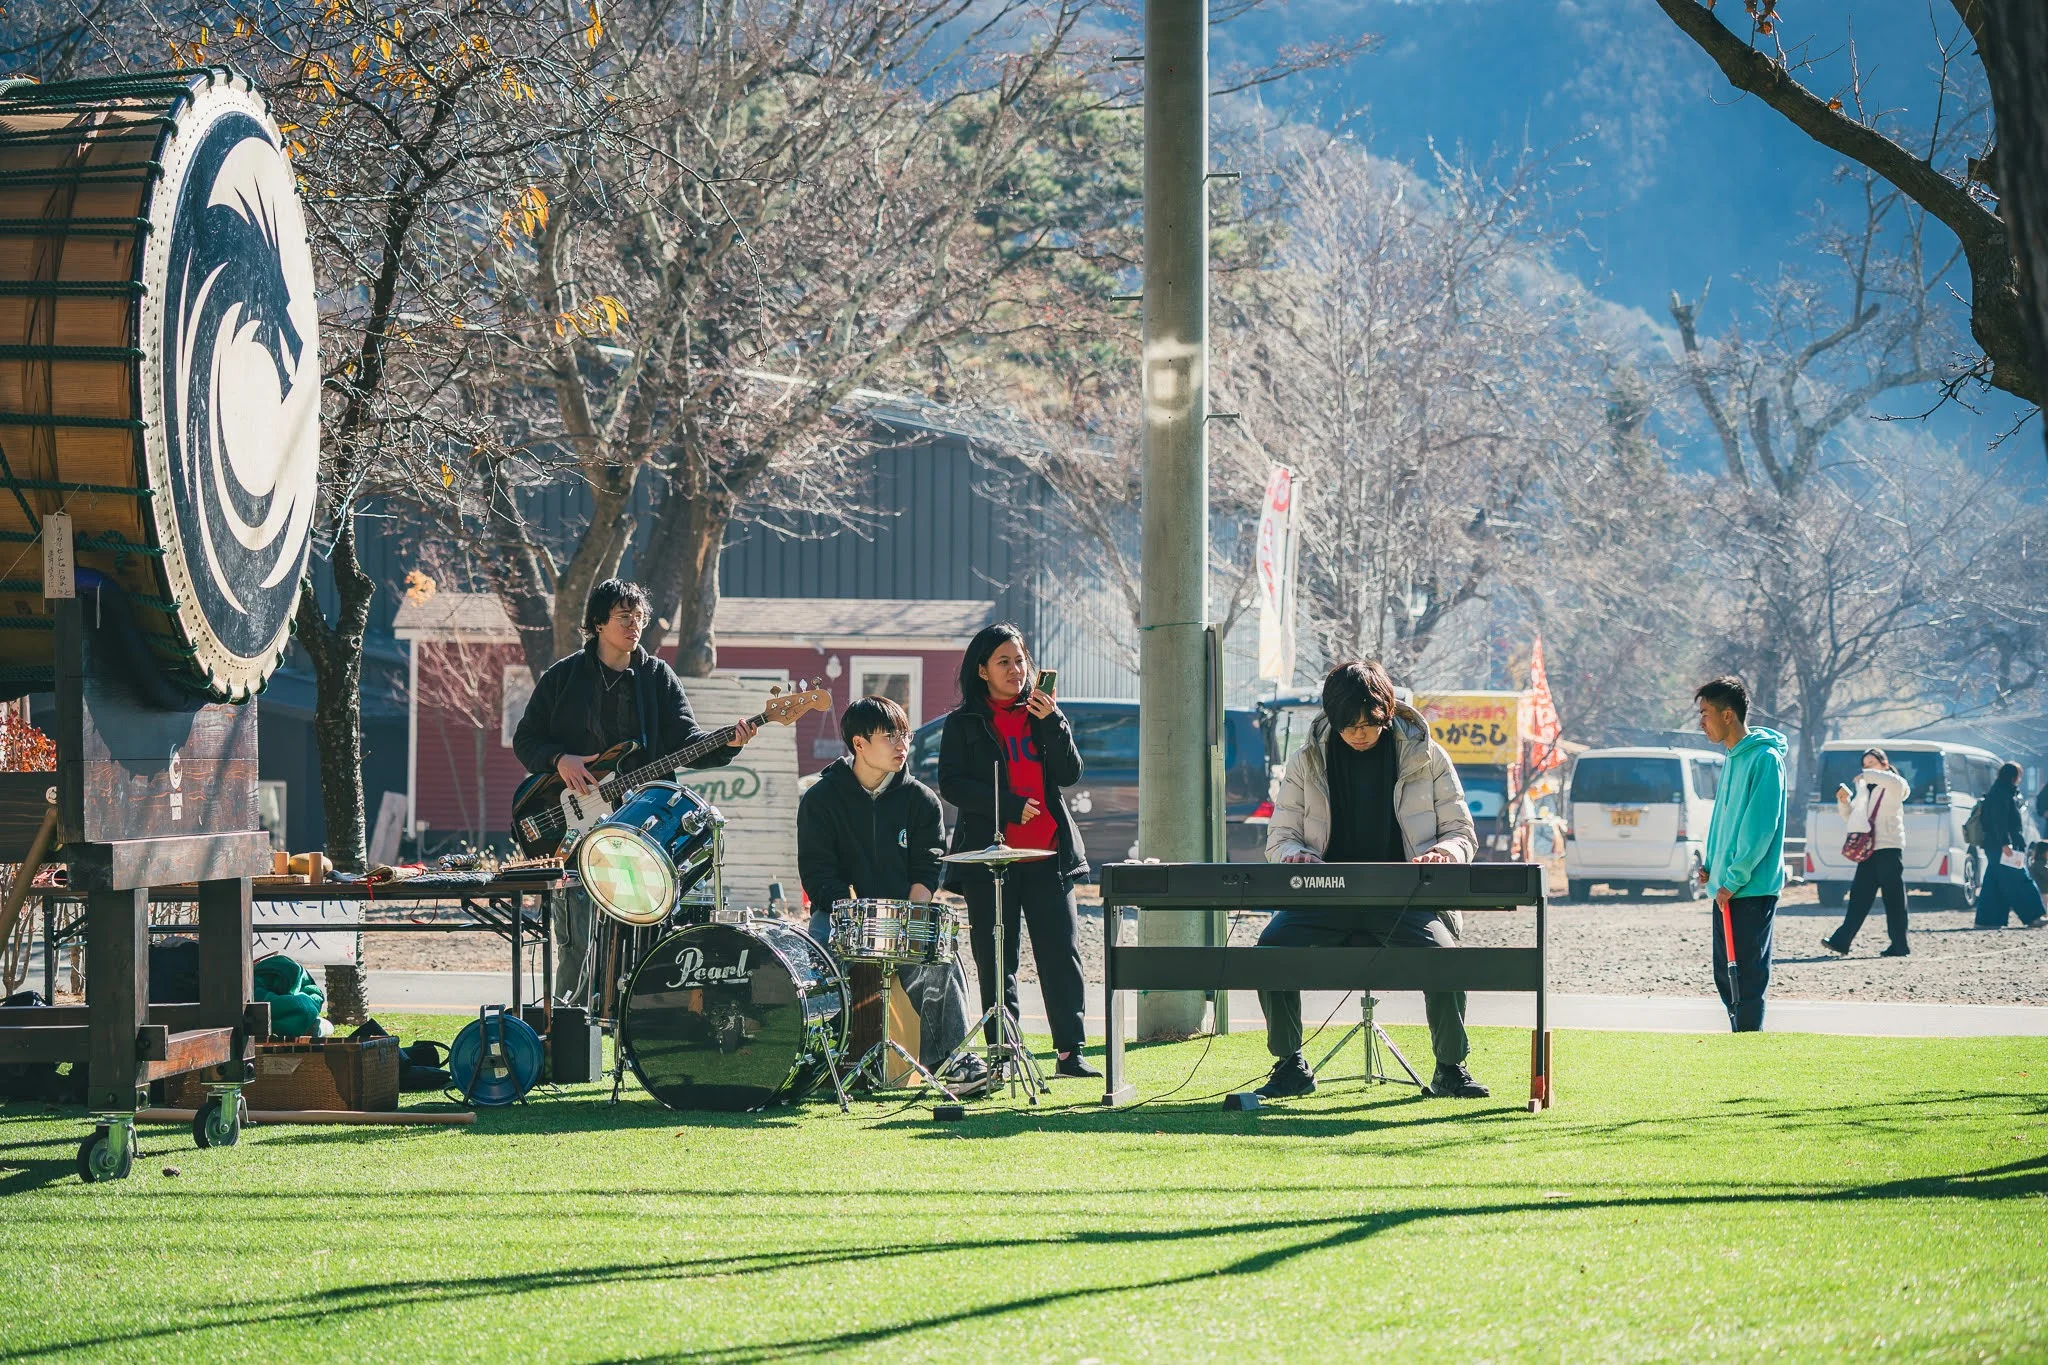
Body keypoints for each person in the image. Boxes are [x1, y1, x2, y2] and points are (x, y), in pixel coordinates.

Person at [512, 579, 757, 1006]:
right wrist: (560, 761)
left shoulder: (657, 678)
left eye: (640, 617)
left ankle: (633, 1022)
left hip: (638, 828)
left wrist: (728, 746)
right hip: (571, 822)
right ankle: (567, 1026)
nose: (635, 625)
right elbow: (526, 740)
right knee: (577, 936)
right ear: (598, 622)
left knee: (642, 930)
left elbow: (687, 744)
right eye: (625, 617)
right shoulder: (564, 677)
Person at [1254, 660, 1487, 1101]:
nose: (1359, 733)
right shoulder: (1305, 762)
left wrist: (1445, 853)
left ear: (1387, 710)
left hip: (1407, 898)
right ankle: (1288, 1067)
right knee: (1268, 953)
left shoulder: (1427, 756)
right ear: (1332, 717)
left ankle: (1450, 1068)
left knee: (1446, 959)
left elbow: (1462, 833)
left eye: (1370, 723)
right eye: (1349, 725)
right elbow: (1279, 839)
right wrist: (1295, 855)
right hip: (1322, 898)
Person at [796, 695, 989, 1094]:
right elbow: (818, 875)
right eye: (890, 736)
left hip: (902, 918)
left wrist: (907, 920)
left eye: (905, 734)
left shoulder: (921, 800)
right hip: (839, 918)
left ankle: (953, 1062)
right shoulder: (820, 799)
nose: (903, 745)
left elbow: (928, 867)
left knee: (941, 955)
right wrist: (856, 914)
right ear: (859, 744)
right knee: (811, 968)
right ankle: (815, 1065)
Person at [936, 623, 1097, 1079]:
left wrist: (1055, 722)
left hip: (1049, 854)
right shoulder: (963, 721)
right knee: (996, 957)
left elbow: (1069, 774)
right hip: (990, 859)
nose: (1015, 669)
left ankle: (1070, 1053)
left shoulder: (1043, 713)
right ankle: (1003, 1054)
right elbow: (951, 784)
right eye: (1003, 662)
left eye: (1020, 660)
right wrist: (1006, 804)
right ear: (982, 670)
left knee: (1061, 955)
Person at [1695, 676, 1787, 1033]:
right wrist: (1710, 866)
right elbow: (1724, 821)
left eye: (1705, 713)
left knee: (1746, 977)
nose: (1701, 722)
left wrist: (1732, 878)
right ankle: (1740, 1042)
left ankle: (1749, 1043)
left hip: (1749, 887)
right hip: (1726, 887)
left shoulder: (1764, 759)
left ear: (1728, 715)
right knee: (1725, 974)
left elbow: (1759, 827)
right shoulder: (1734, 758)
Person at [1823, 749, 1911, 957]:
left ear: (1884, 763)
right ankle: (1841, 941)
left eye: (1872, 762)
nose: (1868, 767)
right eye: (1865, 764)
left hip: (1889, 847)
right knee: (1858, 896)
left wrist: (1868, 775)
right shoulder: (1864, 788)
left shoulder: (1895, 784)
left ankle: (1900, 945)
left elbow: (1894, 782)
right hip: (1868, 849)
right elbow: (1851, 818)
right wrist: (1843, 801)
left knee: (1894, 899)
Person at [1972, 762, 2046, 930]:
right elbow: (1998, 822)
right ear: (2013, 776)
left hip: (1995, 846)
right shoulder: (2002, 794)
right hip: (2003, 847)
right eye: (2019, 775)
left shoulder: (1999, 791)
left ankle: (1987, 920)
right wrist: (2005, 844)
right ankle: (2033, 916)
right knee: (2019, 879)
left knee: (1994, 884)